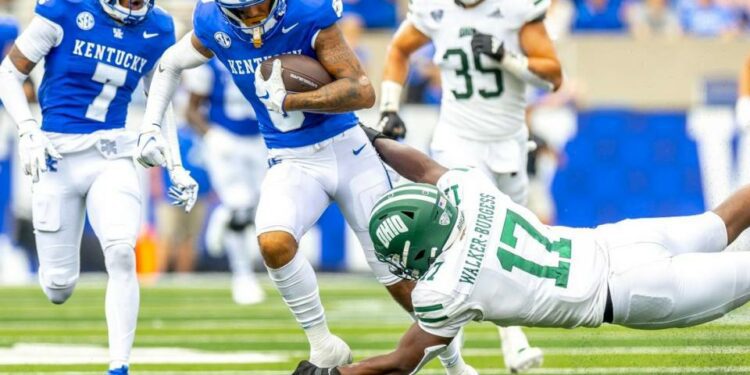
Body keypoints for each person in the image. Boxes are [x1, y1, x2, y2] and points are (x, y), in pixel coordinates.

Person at [293, 126, 750, 375]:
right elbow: (428, 168)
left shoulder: (444, 292)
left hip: (634, 292)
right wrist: (371, 138)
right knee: (725, 220)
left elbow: (399, 364)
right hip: (618, 240)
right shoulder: (472, 195)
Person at [134, 0, 422, 369]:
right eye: (244, 11)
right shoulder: (211, 20)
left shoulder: (307, 12)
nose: (254, 17)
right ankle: (323, 344)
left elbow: (362, 91)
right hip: (291, 157)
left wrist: (292, 99)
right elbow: (170, 64)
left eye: (260, 6)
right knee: (273, 241)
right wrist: (151, 126)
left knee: (397, 273)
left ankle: (455, 364)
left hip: (347, 151)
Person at [0, 1, 197, 374]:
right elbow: (8, 73)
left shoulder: (157, 25)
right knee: (58, 288)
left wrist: (175, 165)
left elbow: (161, 97)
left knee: (122, 252)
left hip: (111, 155)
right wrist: (27, 128)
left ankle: (119, 365)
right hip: (56, 156)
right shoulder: (65, 9)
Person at [378, 0, 563, 370]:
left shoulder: (515, 9)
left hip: (507, 142)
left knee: (514, 239)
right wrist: (389, 106)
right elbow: (399, 49)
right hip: (457, 139)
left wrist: (507, 58)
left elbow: (553, 76)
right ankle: (466, 354)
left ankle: (509, 334)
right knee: (460, 239)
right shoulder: (436, 9)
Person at [183, 57, 266, 305]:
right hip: (226, 138)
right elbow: (191, 109)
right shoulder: (209, 58)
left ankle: (225, 214)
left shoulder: (269, 46)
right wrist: (211, 135)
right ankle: (243, 275)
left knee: (265, 206)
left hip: (264, 138)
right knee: (239, 202)